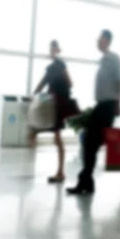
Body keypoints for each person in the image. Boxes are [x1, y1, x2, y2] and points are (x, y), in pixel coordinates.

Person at [67, 30, 120, 195]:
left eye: (100, 39)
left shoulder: (114, 59)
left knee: (90, 143)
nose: (97, 42)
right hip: (101, 105)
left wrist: (118, 103)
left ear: (107, 40)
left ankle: (85, 182)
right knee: (90, 144)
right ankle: (87, 182)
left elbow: (119, 82)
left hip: (108, 106)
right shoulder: (103, 60)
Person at [32, 40, 75, 183]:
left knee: (57, 137)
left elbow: (70, 83)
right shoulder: (50, 68)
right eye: (50, 49)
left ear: (58, 50)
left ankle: (60, 173)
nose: (52, 51)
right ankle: (60, 172)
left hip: (57, 104)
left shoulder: (60, 65)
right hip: (51, 104)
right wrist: (33, 95)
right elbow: (42, 83)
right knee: (53, 136)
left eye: (54, 48)